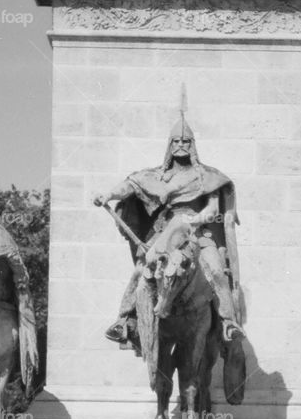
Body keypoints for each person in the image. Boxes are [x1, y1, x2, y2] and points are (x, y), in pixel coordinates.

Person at [92, 113, 245, 348]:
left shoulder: (206, 176)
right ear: (169, 145)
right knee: (142, 268)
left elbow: (213, 208)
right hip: (166, 234)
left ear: (192, 146)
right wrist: (108, 195)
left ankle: (227, 321)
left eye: (186, 142)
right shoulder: (157, 176)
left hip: (198, 234)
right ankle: (125, 319)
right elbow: (131, 185)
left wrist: (194, 220)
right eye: (176, 141)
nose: (181, 146)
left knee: (215, 270)